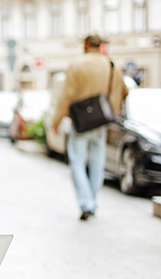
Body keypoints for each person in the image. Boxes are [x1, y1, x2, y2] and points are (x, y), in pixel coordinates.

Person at [51, 35, 129, 221]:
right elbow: (125, 91)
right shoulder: (110, 65)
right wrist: (112, 107)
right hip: (101, 122)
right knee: (97, 164)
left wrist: (56, 121)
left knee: (77, 162)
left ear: (85, 46)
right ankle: (92, 202)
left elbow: (66, 96)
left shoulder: (76, 65)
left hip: (81, 123)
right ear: (100, 46)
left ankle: (86, 203)